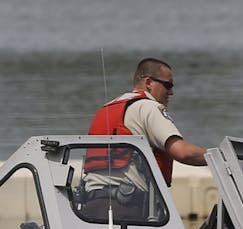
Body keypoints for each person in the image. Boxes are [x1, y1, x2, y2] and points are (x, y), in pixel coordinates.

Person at [88, 57, 207, 187]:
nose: (171, 92)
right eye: (168, 85)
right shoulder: (149, 107)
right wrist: (221, 157)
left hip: (91, 200)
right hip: (129, 203)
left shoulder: (105, 109)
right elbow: (182, 152)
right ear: (149, 83)